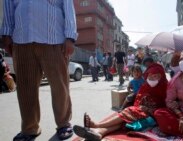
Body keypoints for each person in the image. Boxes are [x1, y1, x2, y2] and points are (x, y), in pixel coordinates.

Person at [0, 0, 77, 140]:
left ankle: (63, 123)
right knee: (25, 89)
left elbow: (68, 6)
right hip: (22, 38)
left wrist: (70, 37)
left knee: (60, 86)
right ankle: (30, 128)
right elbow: (8, 7)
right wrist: (6, 34)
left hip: (54, 37)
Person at [73, 63, 168, 140]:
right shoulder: (145, 86)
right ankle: (100, 133)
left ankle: (96, 125)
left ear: (162, 76)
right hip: (140, 112)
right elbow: (138, 100)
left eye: (156, 76)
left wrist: (147, 109)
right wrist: (139, 107)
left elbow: (165, 109)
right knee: (125, 120)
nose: (152, 79)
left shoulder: (165, 89)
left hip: (152, 118)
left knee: (129, 111)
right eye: (150, 76)